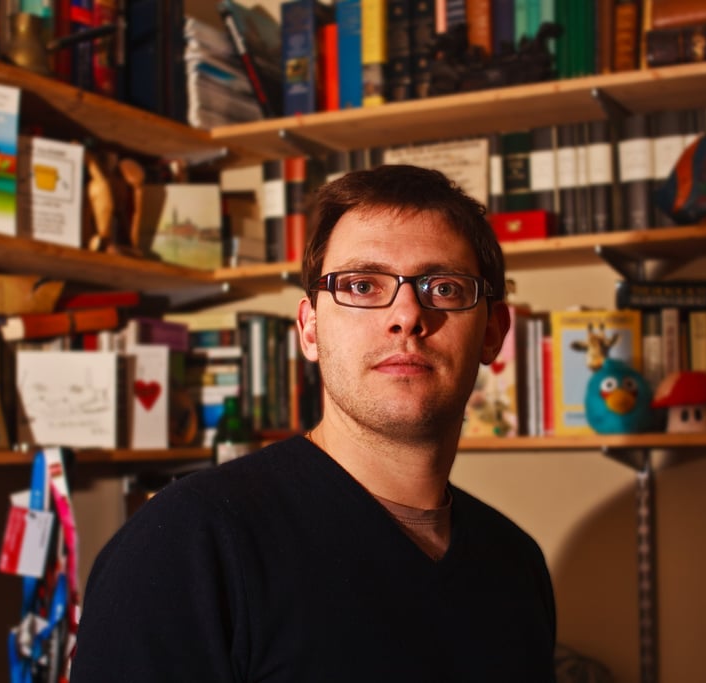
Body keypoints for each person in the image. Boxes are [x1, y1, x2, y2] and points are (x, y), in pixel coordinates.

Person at [70, 164, 557, 682]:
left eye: (443, 288)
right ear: (309, 329)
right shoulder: (185, 544)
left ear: (493, 333)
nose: (407, 316)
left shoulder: (516, 563)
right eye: (362, 285)